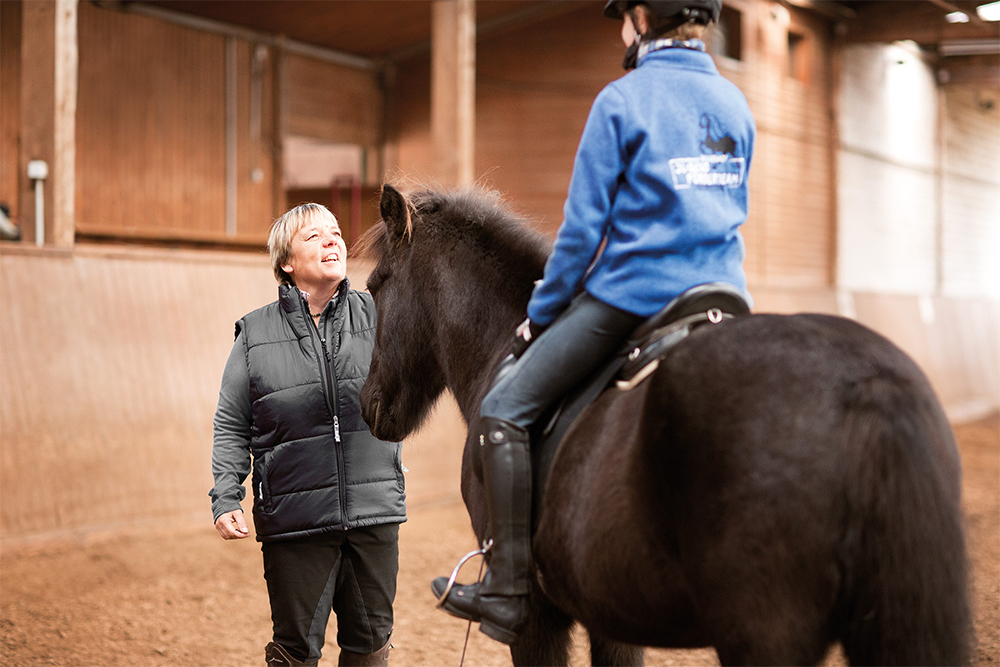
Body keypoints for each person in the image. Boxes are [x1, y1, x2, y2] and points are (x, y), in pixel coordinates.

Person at [431, 0, 756, 645]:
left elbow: (580, 238)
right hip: (723, 294)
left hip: (633, 300)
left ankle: (507, 588)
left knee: (502, 409)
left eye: (623, 18)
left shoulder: (623, 100)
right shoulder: (735, 104)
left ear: (641, 17)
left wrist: (540, 317)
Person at [210, 203, 406, 666]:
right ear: (286, 262)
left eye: (335, 233)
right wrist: (225, 496)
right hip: (295, 519)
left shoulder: (381, 315)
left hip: (373, 512)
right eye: (314, 236)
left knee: (372, 641)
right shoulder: (254, 334)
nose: (332, 241)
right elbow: (232, 422)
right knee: (296, 649)